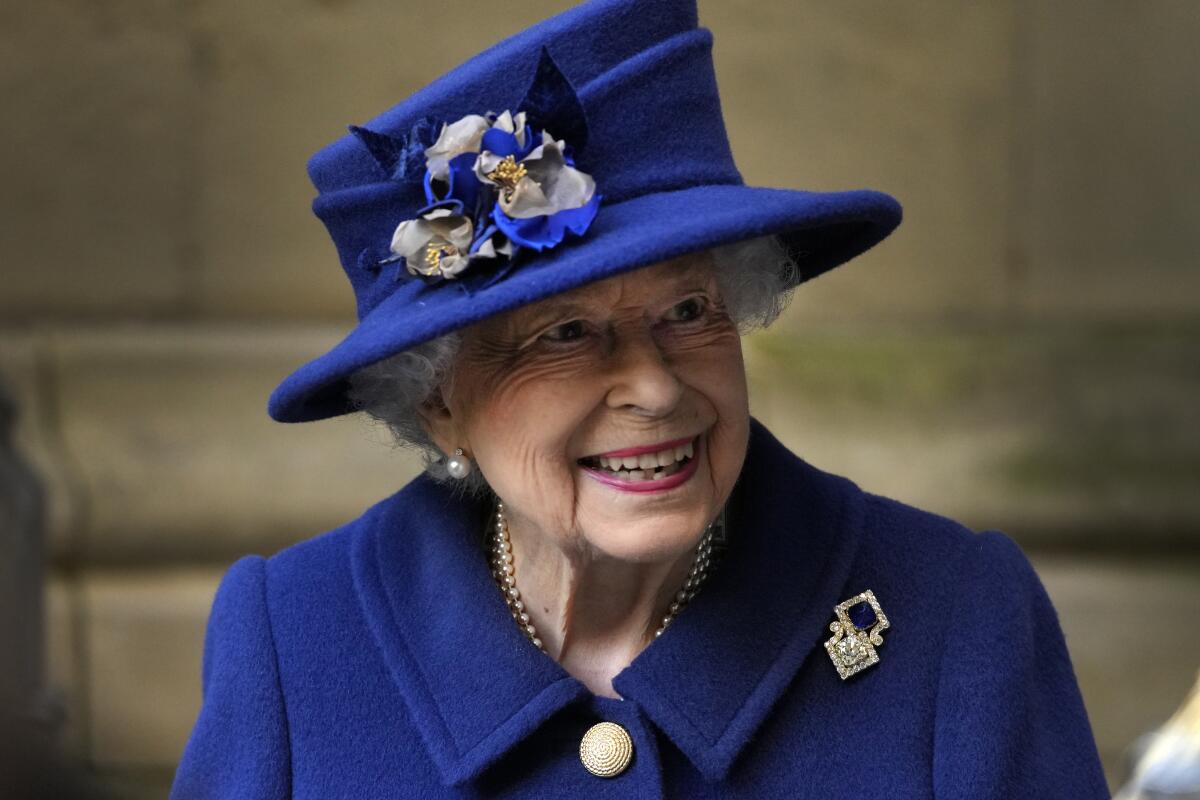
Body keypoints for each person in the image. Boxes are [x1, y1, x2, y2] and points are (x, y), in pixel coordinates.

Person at [171, 0, 1110, 796]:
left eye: (691, 311)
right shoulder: (296, 638)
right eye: (565, 335)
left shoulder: (956, 619)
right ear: (438, 403)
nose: (658, 387)